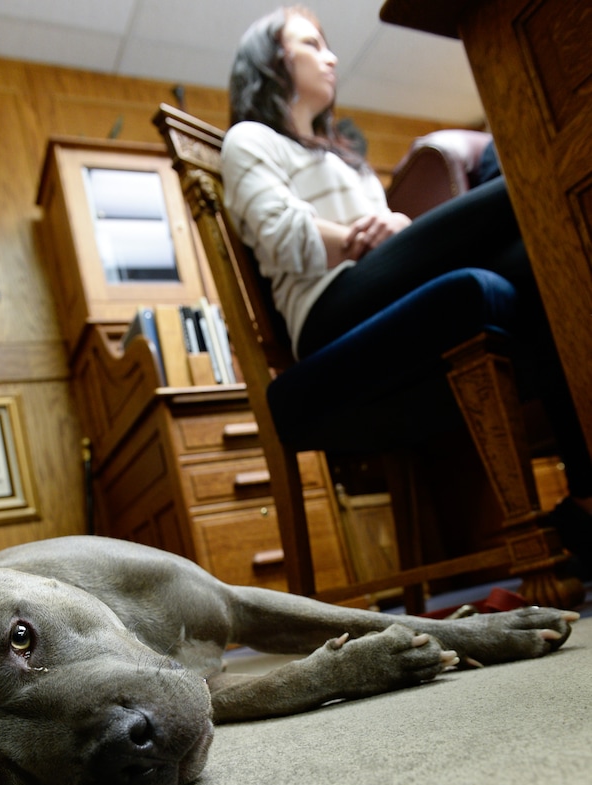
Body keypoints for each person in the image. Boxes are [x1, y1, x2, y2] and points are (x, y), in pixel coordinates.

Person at [220, 5, 592, 575]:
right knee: (527, 183)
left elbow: (388, 235)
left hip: (377, 284)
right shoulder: (249, 140)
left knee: (531, 265)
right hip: (326, 310)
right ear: (271, 62)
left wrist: (395, 227)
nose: (331, 56)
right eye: (312, 44)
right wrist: (366, 238)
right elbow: (281, 237)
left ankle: (585, 499)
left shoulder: (345, 156)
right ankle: (529, 174)